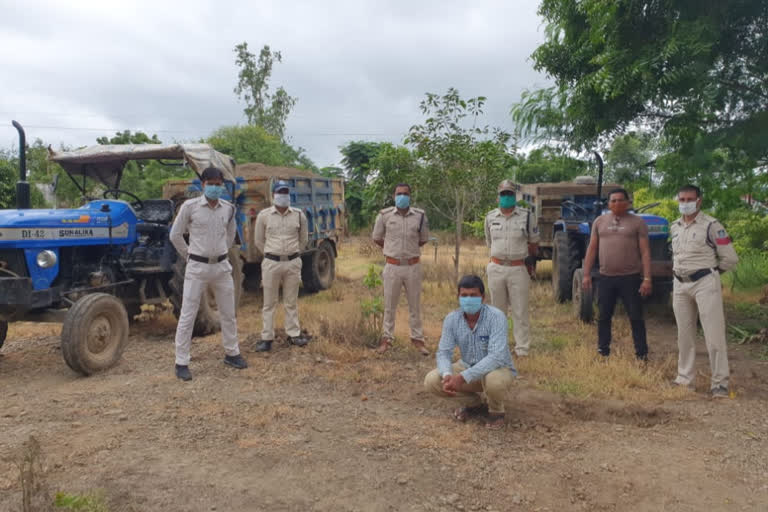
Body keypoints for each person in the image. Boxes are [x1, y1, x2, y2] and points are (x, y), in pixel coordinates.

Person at [169, 167, 247, 381]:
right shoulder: (190, 207)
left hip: (222, 267)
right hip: (197, 267)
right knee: (188, 314)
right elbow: (175, 235)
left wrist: (222, 250)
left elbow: (231, 234)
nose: (214, 187)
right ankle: (181, 361)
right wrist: (190, 256)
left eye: (217, 183)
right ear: (202, 185)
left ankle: (232, 353)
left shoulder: (228, 209)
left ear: (222, 185)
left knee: (228, 313)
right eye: (210, 183)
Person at [670, 184, 738, 398]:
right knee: (684, 335)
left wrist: (713, 274)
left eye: (690, 199)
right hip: (680, 284)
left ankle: (720, 383)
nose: (685, 203)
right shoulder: (675, 226)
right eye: (682, 199)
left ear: (699, 200)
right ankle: (684, 379)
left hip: (705, 283)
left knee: (714, 334)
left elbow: (730, 258)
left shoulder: (712, 226)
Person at [424, 275, 516, 430]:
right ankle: (474, 404)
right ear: (458, 297)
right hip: (467, 366)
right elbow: (444, 352)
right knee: (432, 381)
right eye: (464, 295)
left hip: (498, 369)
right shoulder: (452, 319)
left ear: (483, 297)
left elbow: (496, 357)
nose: (468, 299)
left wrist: (461, 378)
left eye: (473, 295)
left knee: (494, 381)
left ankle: (496, 412)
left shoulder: (496, 317)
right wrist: (447, 375)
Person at [582, 188, 652, 360]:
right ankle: (603, 351)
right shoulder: (600, 221)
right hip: (606, 277)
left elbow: (645, 252)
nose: (617, 203)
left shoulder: (637, 223)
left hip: (631, 277)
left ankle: (641, 354)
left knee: (635, 317)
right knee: (604, 316)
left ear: (628, 202)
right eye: (613, 201)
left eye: (620, 200)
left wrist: (647, 279)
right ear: (608, 204)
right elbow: (592, 249)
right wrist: (586, 274)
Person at [371, 183, 430, 355]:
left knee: (415, 305)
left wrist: (409, 250)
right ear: (393, 195)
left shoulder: (420, 216)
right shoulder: (384, 215)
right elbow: (377, 237)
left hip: (413, 266)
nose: (402, 196)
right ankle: (386, 339)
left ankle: (418, 340)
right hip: (392, 266)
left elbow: (423, 239)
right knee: (389, 305)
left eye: (405, 193)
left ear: (410, 196)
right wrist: (391, 249)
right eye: (399, 193)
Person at [484, 180, 539, 356]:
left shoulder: (527, 216)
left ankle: (522, 348)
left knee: (520, 310)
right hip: (496, 268)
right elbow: (489, 242)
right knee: (497, 310)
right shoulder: (490, 217)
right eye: (503, 194)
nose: (506, 197)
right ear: (498, 197)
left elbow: (533, 243)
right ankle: (499, 347)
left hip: (518, 269)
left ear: (515, 196)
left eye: (509, 194)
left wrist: (526, 262)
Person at [253, 180, 310, 352]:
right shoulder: (264, 216)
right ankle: (267, 338)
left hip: (292, 263)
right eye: (280, 192)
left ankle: (293, 334)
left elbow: (304, 240)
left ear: (289, 195)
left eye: (285, 193)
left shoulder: (299, 215)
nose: (283, 196)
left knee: (291, 301)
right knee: (269, 302)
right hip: (271, 263)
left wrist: (293, 255)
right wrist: (271, 254)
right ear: (273, 195)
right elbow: (258, 241)